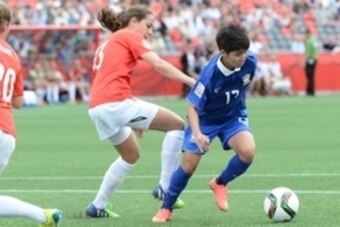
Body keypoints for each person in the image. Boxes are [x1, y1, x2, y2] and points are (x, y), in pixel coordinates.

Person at [85, 5, 195, 218]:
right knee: (177, 125)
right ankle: (165, 186)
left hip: (98, 107)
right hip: (115, 103)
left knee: (130, 155)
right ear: (133, 22)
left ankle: (97, 205)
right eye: (149, 25)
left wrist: (130, 120)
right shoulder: (128, 34)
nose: (151, 31)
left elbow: (106, 79)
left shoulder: (107, 43)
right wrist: (192, 81)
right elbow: (159, 64)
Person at [152, 24, 257, 223]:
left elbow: (240, 85)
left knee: (248, 152)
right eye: (237, 54)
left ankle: (220, 183)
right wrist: (199, 134)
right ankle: (166, 208)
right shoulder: (208, 77)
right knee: (189, 166)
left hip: (232, 117)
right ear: (222, 52)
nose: (242, 57)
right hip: (205, 120)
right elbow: (192, 107)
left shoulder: (250, 62)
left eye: (245, 52)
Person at [0, 2, 61, 227]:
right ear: (6, 25)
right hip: (7, 133)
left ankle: (41, 215)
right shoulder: (13, 56)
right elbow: (18, 101)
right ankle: (43, 216)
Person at [304, 29, 318, 96]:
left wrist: (304, 61)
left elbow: (308, 53)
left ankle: (310, 91)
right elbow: (317, 49)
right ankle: (310, 90)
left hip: (310, 60)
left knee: (309, 76)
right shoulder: (314, 40)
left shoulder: (309, 41)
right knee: (311, 76)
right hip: (314, 59)